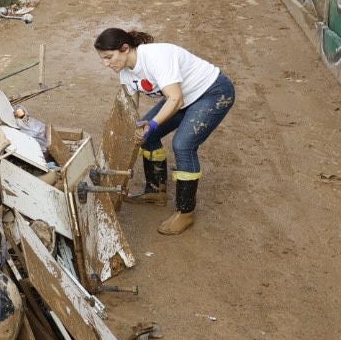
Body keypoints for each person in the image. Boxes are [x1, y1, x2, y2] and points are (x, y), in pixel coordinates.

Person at [93, 27, 235, 236]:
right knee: (146, 134)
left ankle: (185, 212)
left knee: (183, 145)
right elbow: (131, 109)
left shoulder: (155, 57)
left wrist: (152, 125)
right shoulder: (125, 72)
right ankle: (155, 191)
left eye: (109, 57)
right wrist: (133, 129)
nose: (106, 64)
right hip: (182, 98)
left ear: (125, 48)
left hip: (212, 92)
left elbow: (176, 98)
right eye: (103, 59)